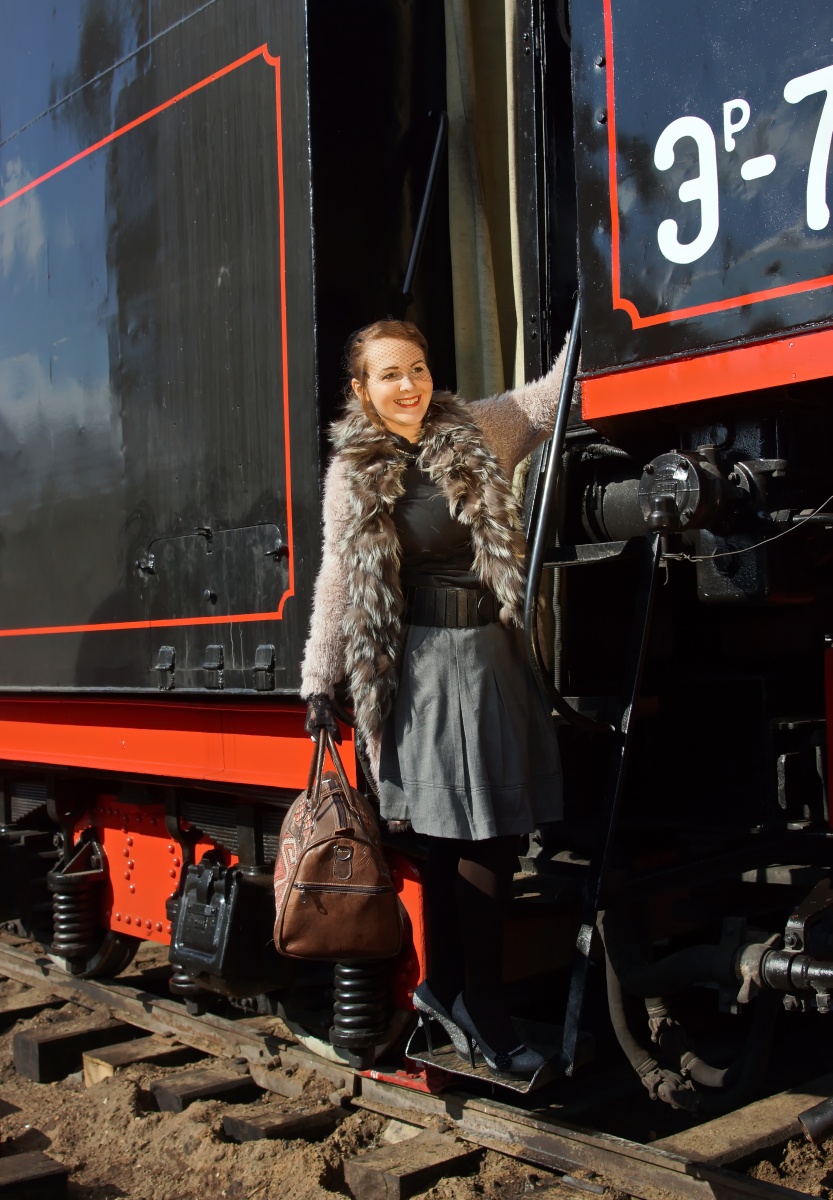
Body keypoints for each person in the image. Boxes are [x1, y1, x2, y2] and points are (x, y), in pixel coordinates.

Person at [300, 319, 567, 1080]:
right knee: (472, 842)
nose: (409, 385)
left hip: (493, 656)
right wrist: (319, 678)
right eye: (389, 374)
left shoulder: (477, 427)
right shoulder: (354, 471)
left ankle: (447, 990)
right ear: (361, 389)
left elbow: (548, 400)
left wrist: (595, 308)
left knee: (479, 840)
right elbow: (338, 575)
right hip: (422, 668)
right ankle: (484, 1011)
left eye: (417, 368)